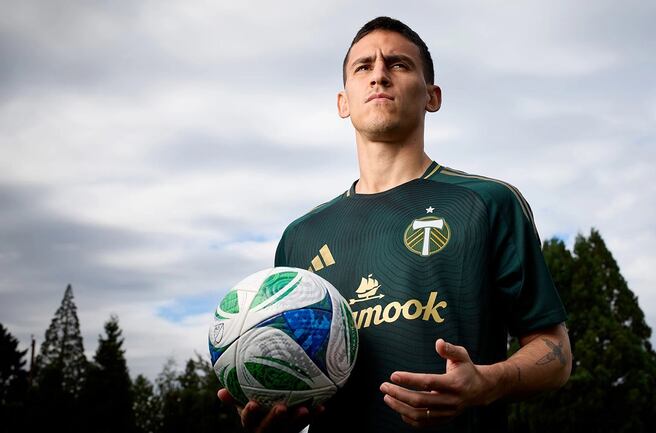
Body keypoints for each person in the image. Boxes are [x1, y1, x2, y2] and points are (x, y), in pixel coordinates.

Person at [218, 16, 571, 433]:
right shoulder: (300, 237)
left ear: (432, 96)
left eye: (399, 64)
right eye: (363, 67)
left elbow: (555, 352)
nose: (379, 75)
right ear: (343, 102)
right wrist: (273, 404)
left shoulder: (488, 202)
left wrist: (485, 383)